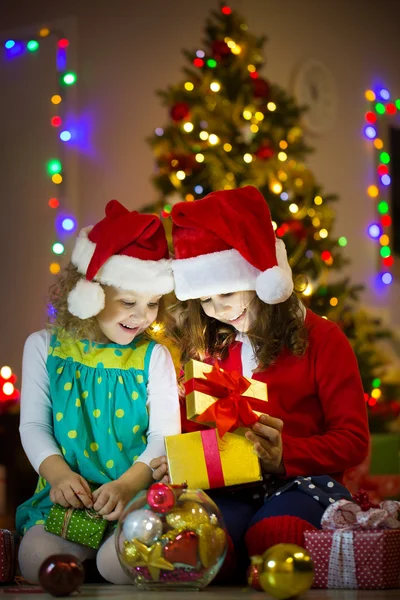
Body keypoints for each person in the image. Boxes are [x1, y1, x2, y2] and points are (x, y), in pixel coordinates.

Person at [151, 185, 369, 580]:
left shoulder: (322, 339)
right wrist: (176, 459)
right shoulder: (212, 343)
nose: (220, 311)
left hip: (303, 485)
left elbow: (353, 440)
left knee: (275, 535)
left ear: (262, 280)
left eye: (229, 293)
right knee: (201, 543)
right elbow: (197, 428)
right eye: (205, 300)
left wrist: (285, 454)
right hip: (230, 489)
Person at [16, 200, 181, 584]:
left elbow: (163, 437)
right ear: (90, 292)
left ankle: (103, 560)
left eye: (152, 304)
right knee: (36, 558)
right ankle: (85, 555)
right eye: (128, 302)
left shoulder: (153, 358)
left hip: (136, 497)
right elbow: (33, 425)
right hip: (70, 500)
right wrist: (57, 476)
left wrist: (128, 484)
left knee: (116, 565)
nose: (142, 317)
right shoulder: (43, 347)